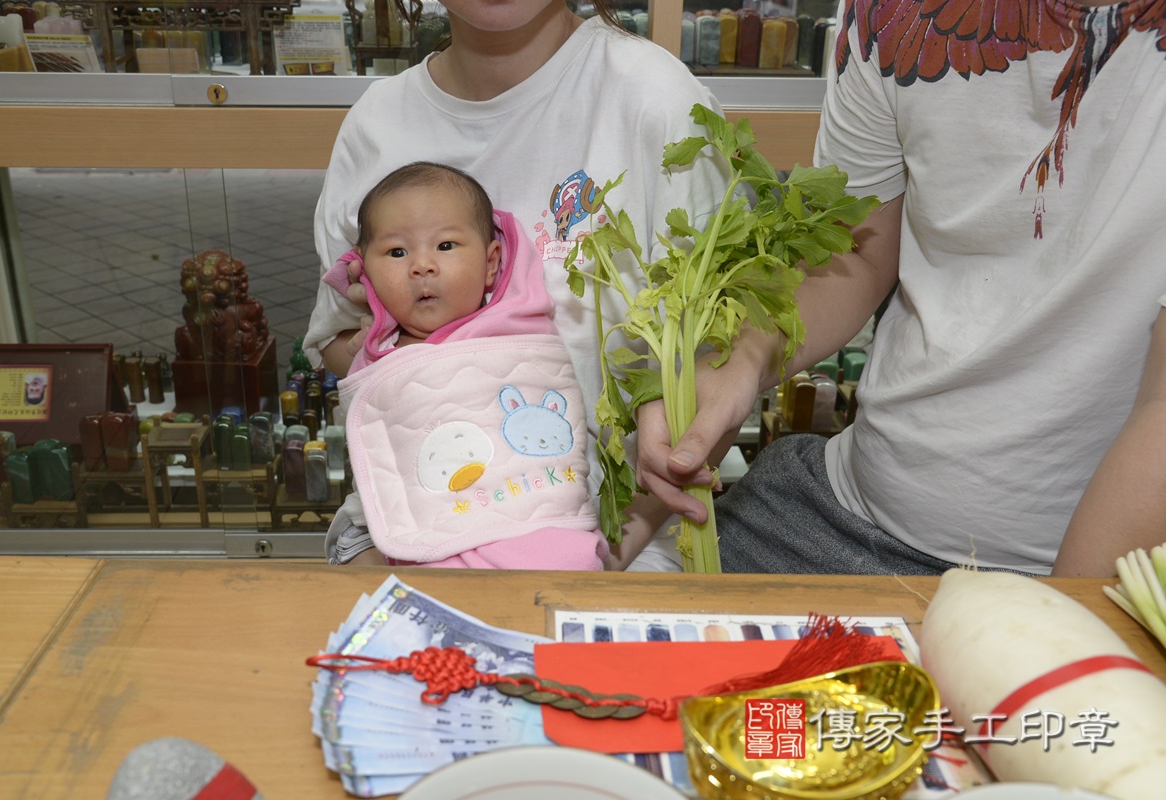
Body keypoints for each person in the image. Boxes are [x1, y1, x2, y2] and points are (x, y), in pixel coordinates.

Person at [636, 0, 1166, 577]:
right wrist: (742, 359)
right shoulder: (890, 12)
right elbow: (858, 254)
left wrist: (1063, 626)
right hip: (850, 503)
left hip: (1089, 562)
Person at [302, 0, 729, 569]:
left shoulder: (656, 99)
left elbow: (725, 350)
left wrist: (612, 541)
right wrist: (387, 352)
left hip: (622, 535)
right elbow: (334, 342)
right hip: (403, 531)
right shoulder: (377, 121)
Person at [323, 161, 608, 570]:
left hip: (534, 517)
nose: (422, 266)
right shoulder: (376, 346)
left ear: (492, 263)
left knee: (565, 560)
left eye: (445, 246)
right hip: (407, 529)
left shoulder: (517, 316)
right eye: (396, 252)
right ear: (364, 270)